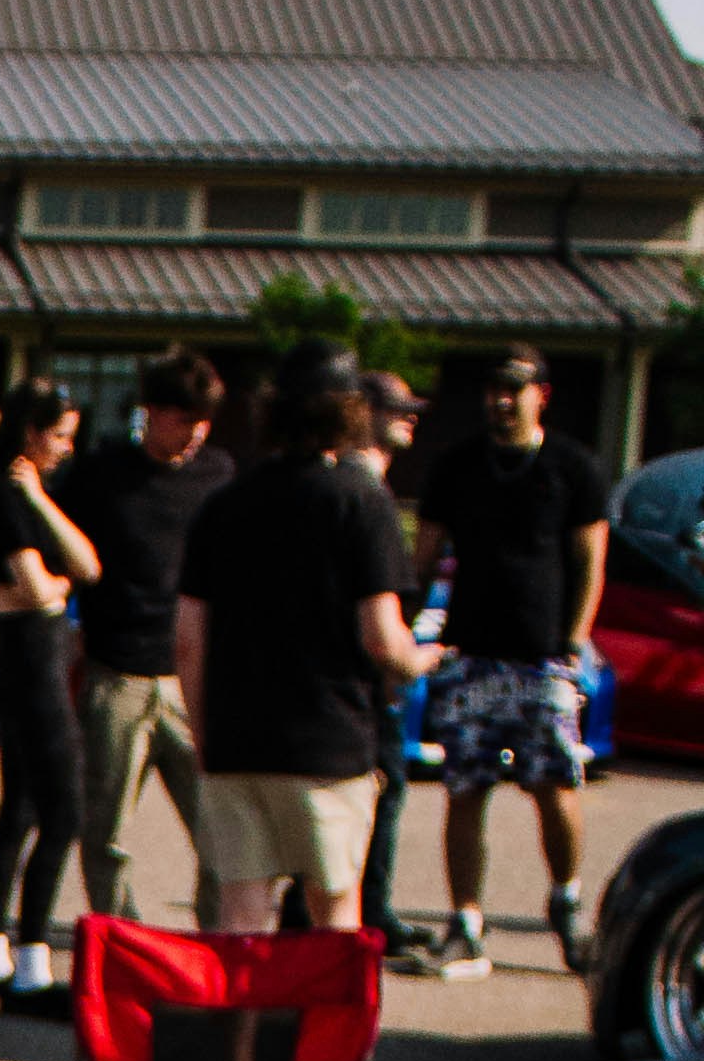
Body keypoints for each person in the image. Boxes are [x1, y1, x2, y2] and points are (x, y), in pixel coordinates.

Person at [172, 338, 420, 935]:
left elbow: (187, 636)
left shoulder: (224, 504)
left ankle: (243, 1031)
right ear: (351, 412)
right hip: (328, 743)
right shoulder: (362, 503)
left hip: (237, 740)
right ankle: (324, 1030)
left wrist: (204, 734)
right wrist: (426, 660)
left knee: (241, 913)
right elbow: (384, 639)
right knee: (333, 906)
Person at [414, 348, 610, 980]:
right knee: (466, 789)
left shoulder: (573, 467)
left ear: (541, 396)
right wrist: (414, 631)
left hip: (542, 658)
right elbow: (424, 555)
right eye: (493, 389)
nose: (501, 401)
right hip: (471, 653)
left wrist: (575, 639)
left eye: (514, 390)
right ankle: (466, 923)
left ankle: (566, 903)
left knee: (556, 788)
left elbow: (590, 561)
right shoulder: (457, 467)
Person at [60, 352, 225, 917]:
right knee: (106, 829)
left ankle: (217, 948)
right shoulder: (101, 474)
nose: (195, 433)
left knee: (223, 833)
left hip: (196, 680)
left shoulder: (220, 477)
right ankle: (121, 940)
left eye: (205, 420)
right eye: (184, 419)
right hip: (117, 673)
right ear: (151, 413)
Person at [0, 380, 99, 1006]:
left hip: (27, 654)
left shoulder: (21, 490)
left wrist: (42, 501)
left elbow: (88, 566)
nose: (67, 449)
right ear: (33, 433)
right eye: (61, 435)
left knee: (18, 807)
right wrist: (37, 510)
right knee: (65, 809)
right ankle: (33, 964)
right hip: (32, 659)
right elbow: (40, 588)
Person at [345, 374, 434, 962]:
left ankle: (366, 914)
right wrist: (419, 655)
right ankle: (359, 922)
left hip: (364, 680)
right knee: (371, 798)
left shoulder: (371, 486)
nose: (411, 417)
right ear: (364, 412)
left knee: (384, 795)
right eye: (397, 409)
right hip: (359, 680)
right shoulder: (361, 491)